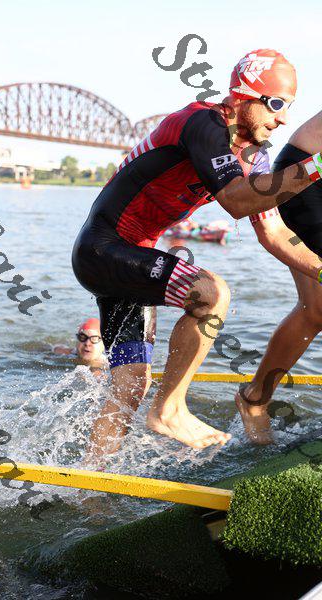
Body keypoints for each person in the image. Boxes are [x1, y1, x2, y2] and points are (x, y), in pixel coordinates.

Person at [72, 48, 322, 456]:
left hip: (132, 262)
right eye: (276, 104)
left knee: (130, 384)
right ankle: (169, 410)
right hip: (102, 249)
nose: (283, 119)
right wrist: (317, 165)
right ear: (242, 97)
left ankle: (90, 482)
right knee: (210, 294)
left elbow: (274, 233)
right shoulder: (203, 123)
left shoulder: (256, 157)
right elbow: (237, 200)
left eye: (289, 107)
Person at [236, 110, 322, 443]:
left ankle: (255, 398)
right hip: (308, 176)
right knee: (317, 309)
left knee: (315, 311)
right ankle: (254, 400)